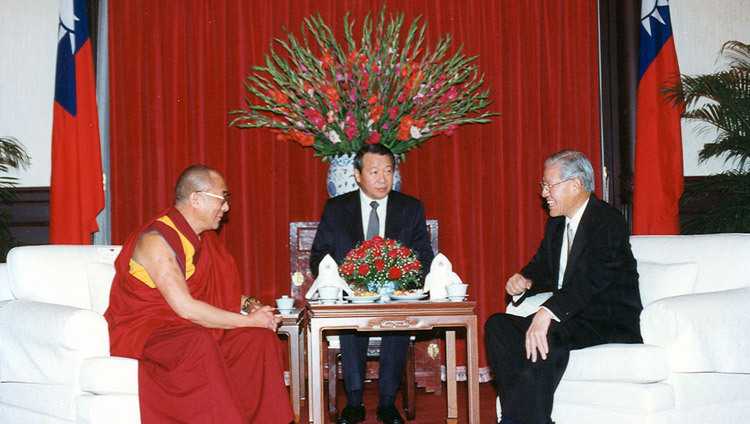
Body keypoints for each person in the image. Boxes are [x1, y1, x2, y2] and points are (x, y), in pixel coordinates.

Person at [104, 165, 294, 424]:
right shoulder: (156, 240)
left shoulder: (201, 238)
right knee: (197, 340)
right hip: (148, 332)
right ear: (196, 198)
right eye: (222, 198)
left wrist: (250, 306)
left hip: (189, 328)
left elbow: (215, 292)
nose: (226, 208)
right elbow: (186, 308)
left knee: (258, 340)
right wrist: (249, 321)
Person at [484, 150, 643, 424]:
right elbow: (543, 266)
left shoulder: (607, 221)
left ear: (575, 185)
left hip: (606, 319)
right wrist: (525, 279)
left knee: (548, 332)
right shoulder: (557, 225)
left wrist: (547, 312)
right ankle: (526, 418)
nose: (544, 193)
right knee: (497, 325)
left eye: (549, 185)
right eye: (542, 186)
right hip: (572, 317)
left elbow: (592, 281)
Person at [310, 144, 435, 424]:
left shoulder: (411, 207)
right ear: (357, 175)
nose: (382, 179)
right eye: (375, 171)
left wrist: (402, 279)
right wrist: (347, 280)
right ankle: (354, 402)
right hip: (351, 295)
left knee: (397, 319)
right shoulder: (337, 208)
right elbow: (319, 256)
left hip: (395, 296)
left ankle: (387, 403)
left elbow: (424, 256)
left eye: (388, 171)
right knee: (352, 317)